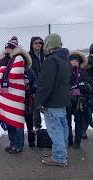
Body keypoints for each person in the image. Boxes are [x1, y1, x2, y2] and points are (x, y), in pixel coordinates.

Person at [35, 34, 71, 167]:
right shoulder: (65, 59)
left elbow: (45, 84)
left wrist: (38, 101)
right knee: (62, 128)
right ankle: (60, 152)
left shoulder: (51, 60)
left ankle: (59, 157)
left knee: (55, 130)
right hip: (62, 101)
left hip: (52, 102)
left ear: (49, 45)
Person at [0, 36, 32, 154]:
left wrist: (3, 74)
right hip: (5, 95)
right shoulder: (5, 60)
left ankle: (19, 145)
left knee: (17, 121)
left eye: (10, 48)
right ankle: (12, 142)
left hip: (15, 95)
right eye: (6, 48)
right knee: (9, 120)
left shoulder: (18, 58)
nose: (7, 50)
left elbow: (14, 75)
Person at [67, 52, 91, 149]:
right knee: (67, 120)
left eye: (76, 61)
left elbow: (88, 87)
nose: (74, 63)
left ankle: (77, 141)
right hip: (68, 99)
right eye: (72, 61)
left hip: (79, 100)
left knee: (79, 120)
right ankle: (69, 139)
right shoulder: (67, 72)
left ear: (80, 62)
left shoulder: (83, 72)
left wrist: (84, 96)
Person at [29, 37, 45, 131]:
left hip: (45, 85)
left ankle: (51, 129)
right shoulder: (28, 56)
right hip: (34, 85)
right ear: (32, 44)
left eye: (40, 43)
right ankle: (37, 128)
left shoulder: (46, 55)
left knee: (47, 106)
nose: (38, 44)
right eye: (36, 43)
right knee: (35, 108)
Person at [82, 43, 93, 138]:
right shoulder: (88, 60)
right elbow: (85, 71)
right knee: (87, 110)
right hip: (89, 89)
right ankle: (83, 131)